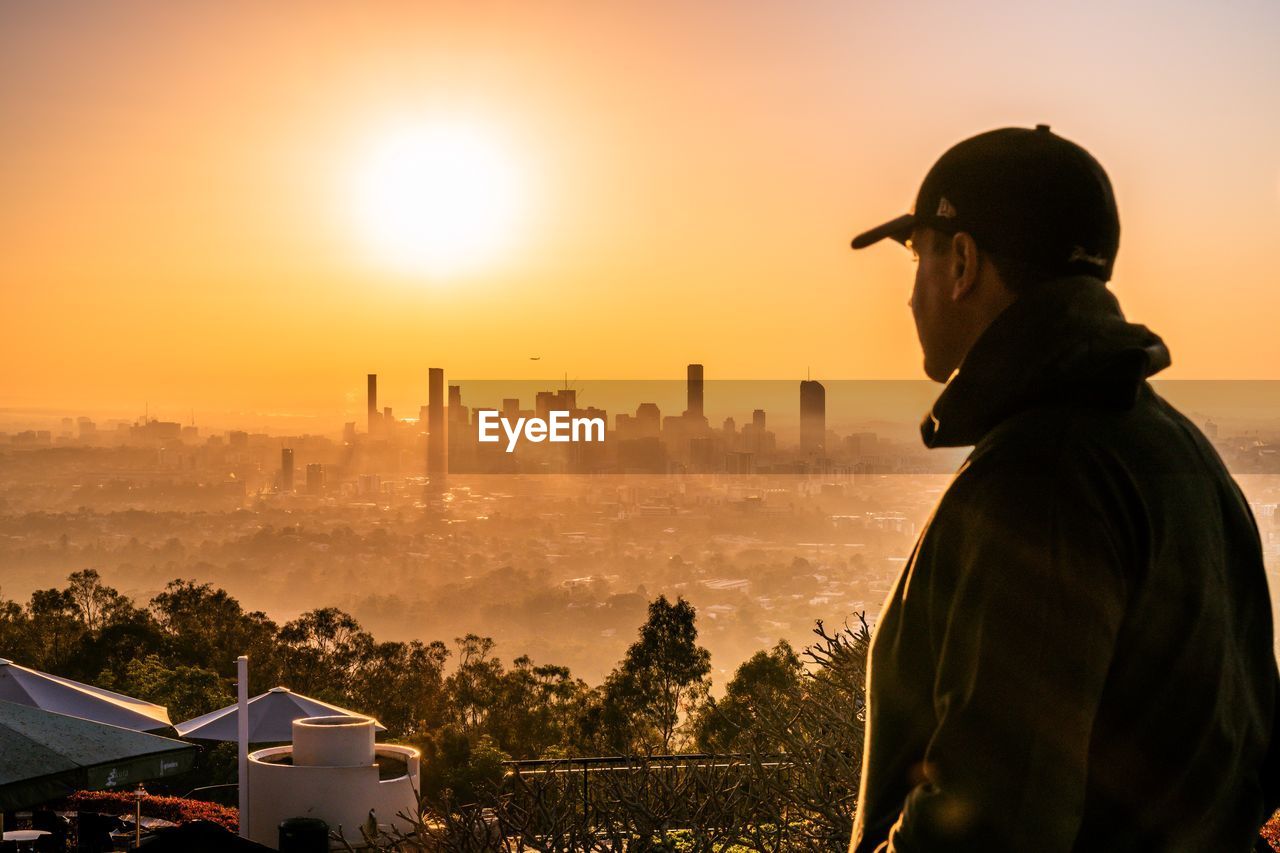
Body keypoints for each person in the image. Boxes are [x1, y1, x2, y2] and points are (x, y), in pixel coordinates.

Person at [846, 124, 1280, 852]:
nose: (909, 295)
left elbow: (992, 825)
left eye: (916, 256)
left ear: (961, 262)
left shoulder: (1038, 479)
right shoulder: (1176, 449)